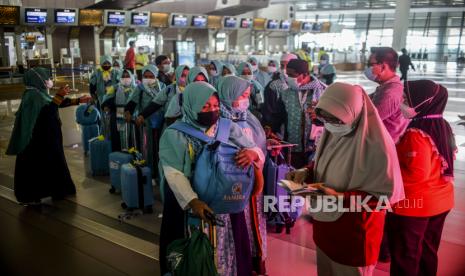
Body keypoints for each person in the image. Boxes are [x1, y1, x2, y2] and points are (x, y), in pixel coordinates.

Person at [286, 82, 404, 276]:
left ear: (355, 112)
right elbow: (327, 161)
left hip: (355, 234)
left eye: (337, 119)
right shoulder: (333, 132)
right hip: (325, 226)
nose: (331, 124)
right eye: (326, 118)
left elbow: (384, 197)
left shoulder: (377, 148)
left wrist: (340, 196)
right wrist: (306, 171)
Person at [158, 81, 264, 275]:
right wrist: (193, 201)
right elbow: (174, 173)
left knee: (231, 243)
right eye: (205, 106)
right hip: (191, 201)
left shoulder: (226, 127)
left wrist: (252, 154)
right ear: (191, 105)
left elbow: (255, 148)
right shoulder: (174, 134)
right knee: (193, 247)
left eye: (215, 106)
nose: (212, 111)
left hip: (226, 199)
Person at [388, 80, 456, 275]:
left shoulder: (416, 134)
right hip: (441, 201)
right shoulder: (442, 125)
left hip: (415, 206)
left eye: (407, 99)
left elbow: (416, 174)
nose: (402, 102)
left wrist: (387, 173)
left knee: (405, 256)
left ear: (423, 102)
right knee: (427, 252)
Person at [6, 67, 92, 204]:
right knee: (43, 166)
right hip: (39, 142)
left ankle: (55, 191)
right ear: (39, 80)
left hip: (45, 140)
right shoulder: (33, 97)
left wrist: (78, 100)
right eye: (47, 79)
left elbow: (52, 104)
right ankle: (40, 194)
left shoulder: (37, 93)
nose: (50, 81)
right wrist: (59, 96)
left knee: (51, 164)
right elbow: (48, 112)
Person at [218, 76, 267, 274]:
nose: (246, 99)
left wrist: (255, 154)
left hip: (253, 181)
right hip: (231, 185)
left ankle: (253, 263)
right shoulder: (219, 120)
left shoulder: (249, 117)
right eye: (242, 95)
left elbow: (258, 147)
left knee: (252, 224)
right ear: (229, 95)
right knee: (234, 230)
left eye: (248, 95)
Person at [280, 59, 327, 168]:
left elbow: (335, 119)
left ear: (305, 74)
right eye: (287, 75)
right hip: (292, 147)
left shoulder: (324, 92)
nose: (288, 78)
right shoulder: (286, 92)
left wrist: (321, 117)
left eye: (292, 75)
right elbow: (279, 116)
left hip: (316, 148)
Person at [124, 65, 166, 174]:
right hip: (146, 122)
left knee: (161, 147)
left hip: (162, 121)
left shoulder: (163, 87)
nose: (148, 78)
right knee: (148, 147)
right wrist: (128, 112)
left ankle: (161, 171)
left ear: (156, 76)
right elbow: (132, 102)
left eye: (151, 76)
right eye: (145, 76)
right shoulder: (140, 88)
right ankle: (150, 172)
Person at [365, 47, 409, 144]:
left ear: (383, 67)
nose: (368, 68)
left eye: (370, 65)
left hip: (382, 148)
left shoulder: (390, 93)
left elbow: (367, 121)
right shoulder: (386, 87)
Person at [261, 53, 297, 135]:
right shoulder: (274, 85)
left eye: (287, 66)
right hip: (281, 130)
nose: (284, 69)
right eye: (282, 66)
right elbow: (270, 111)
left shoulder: (303, 84)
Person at [101, 69, 137, 151]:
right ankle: (119, 157)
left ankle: (132, 157)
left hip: (132, 116)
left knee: (132, 138)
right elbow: (106, 101)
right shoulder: (114, 88)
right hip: (118, 115)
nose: (125, 78)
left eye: (127, 76)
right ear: (119, 78)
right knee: (118, 138)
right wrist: (107, 106)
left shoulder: (136, 88)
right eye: (123, 76)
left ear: (131, 77)